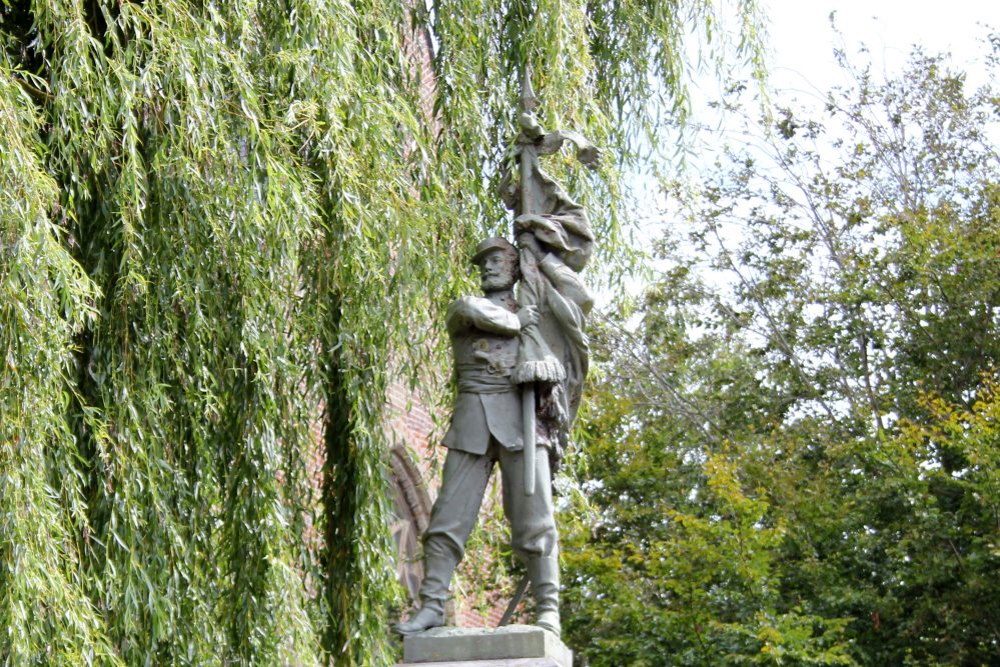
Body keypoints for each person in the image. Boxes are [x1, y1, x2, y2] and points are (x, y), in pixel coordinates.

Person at [393, 237, 561, 637]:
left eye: (498, 260)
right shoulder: (469, 307)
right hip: (474, 417)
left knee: (533, 520)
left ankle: (548, 608)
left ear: (517, 265)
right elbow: (470, 312)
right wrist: (520, 322)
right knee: (448, 519)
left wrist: (539, 368)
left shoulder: (540, 314)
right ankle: (432, 605)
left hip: (521, 420)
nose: (489, 268)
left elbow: (560, 357)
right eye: (483, 262)